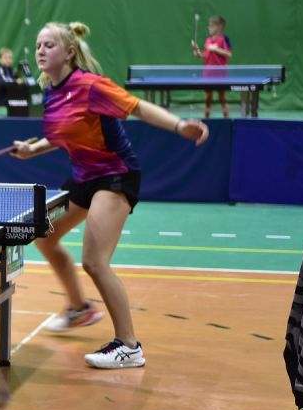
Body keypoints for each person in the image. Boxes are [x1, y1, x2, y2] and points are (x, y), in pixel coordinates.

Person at [11, 21, 208, 369]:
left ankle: (129, 346)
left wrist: (179, 126)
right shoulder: (51, 92)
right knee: (45, 237)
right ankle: (79, 309)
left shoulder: (90, 85)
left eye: (49, 45)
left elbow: (137, 107)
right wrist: (32, 150)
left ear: (69, 52)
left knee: (94, 261)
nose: (40, 51)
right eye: (38, 45)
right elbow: (62, 135)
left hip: (115, 175)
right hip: (84, 176)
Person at [191, 15, 232, 118]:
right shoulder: (208, 40)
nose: (209, 28)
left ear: (219, 27)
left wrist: (215, 49)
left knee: (222, 97)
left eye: (212, 26)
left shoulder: (223, 39)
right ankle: (206, 119)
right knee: (208, 98)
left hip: (220, 73)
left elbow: (229, 54)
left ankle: (227, 119)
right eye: (209, 26)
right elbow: (205, 56)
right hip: (208, 73)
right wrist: (197, 52)